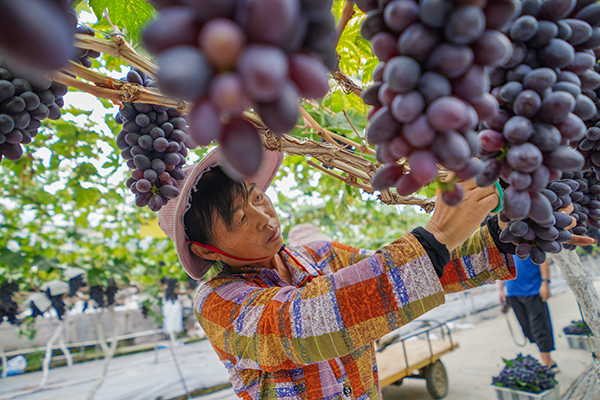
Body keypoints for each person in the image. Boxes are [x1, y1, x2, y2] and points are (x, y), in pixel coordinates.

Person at [157, 148, 592, 399]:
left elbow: (424, 274)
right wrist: (435, 234)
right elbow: (300, 324)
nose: (263, 216)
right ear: (204, 249)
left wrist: (503, 235)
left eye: (257, 198)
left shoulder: (318, 256)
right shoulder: (217, 300)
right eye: (238, 216)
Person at [499, 257, 557, 369]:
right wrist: (501, 290)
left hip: (533, 290)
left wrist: (545, 283)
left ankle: (547, 362)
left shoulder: (528, 240)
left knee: (539, 327)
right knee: (527, 328)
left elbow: (543, 260)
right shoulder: (503, 245)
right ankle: (546, 359)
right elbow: (501, 266)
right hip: (513, 293)